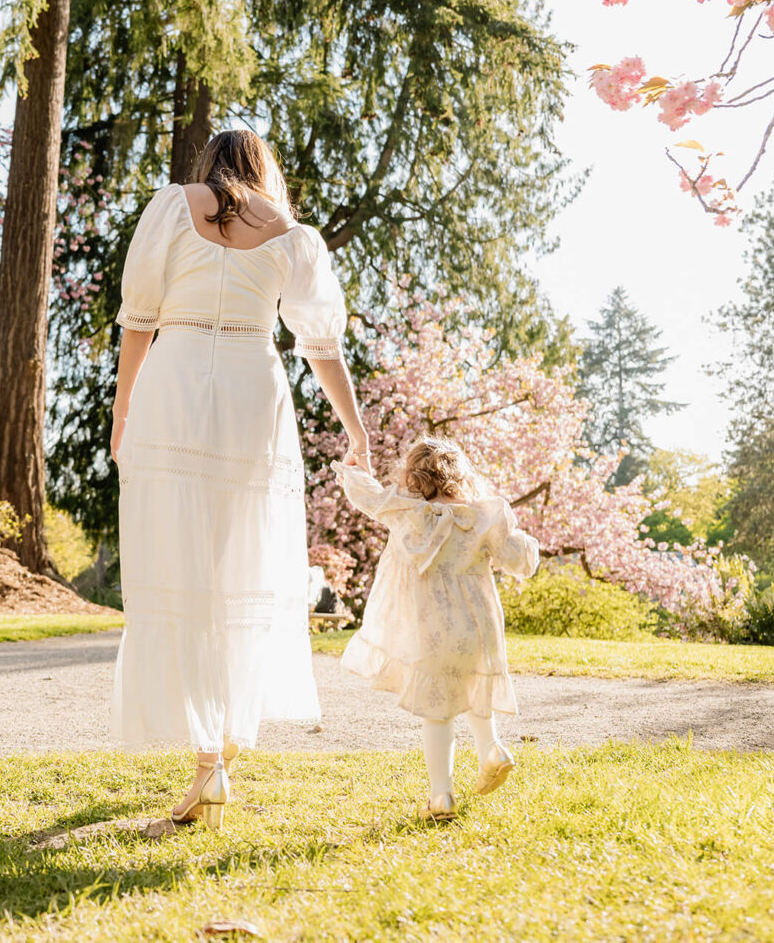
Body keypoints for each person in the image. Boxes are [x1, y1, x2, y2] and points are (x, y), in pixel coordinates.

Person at [111, 129, 370, 831]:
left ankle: (208, 763)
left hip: (177, 380)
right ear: (264, 170)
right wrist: (357, 428)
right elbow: (321, 345)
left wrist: (122, 412)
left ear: (211, 166)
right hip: (254, 388)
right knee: (238, 567)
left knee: (180, 564)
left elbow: (139, 321)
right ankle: (217, 752)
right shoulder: (293, 235)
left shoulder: (172, 206)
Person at [336, 435, 540, 820]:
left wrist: (352, 465)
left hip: (431, 634)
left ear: (412, 476)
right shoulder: (481, 515)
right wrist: (528, 545)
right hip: (477, 630)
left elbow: (367, 495)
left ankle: (441, 796)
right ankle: (492, 749)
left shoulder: (407, 512)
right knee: (475, 691)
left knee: (439, 713)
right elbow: (519, 559)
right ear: (461, 476)